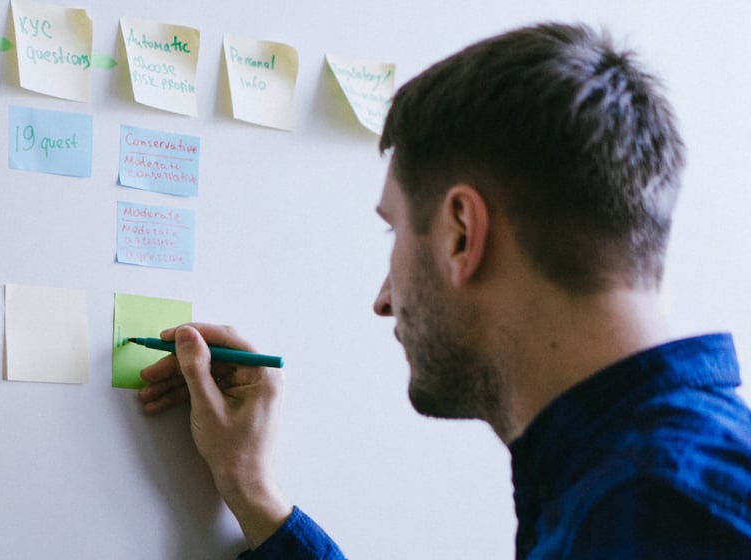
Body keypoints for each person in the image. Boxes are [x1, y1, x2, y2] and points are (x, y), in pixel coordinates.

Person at [137, 22, 751, 559]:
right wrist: (252, 491)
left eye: (394, 230)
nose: (384, 298)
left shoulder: (655, 510)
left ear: (461, 234)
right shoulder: (639, 479)